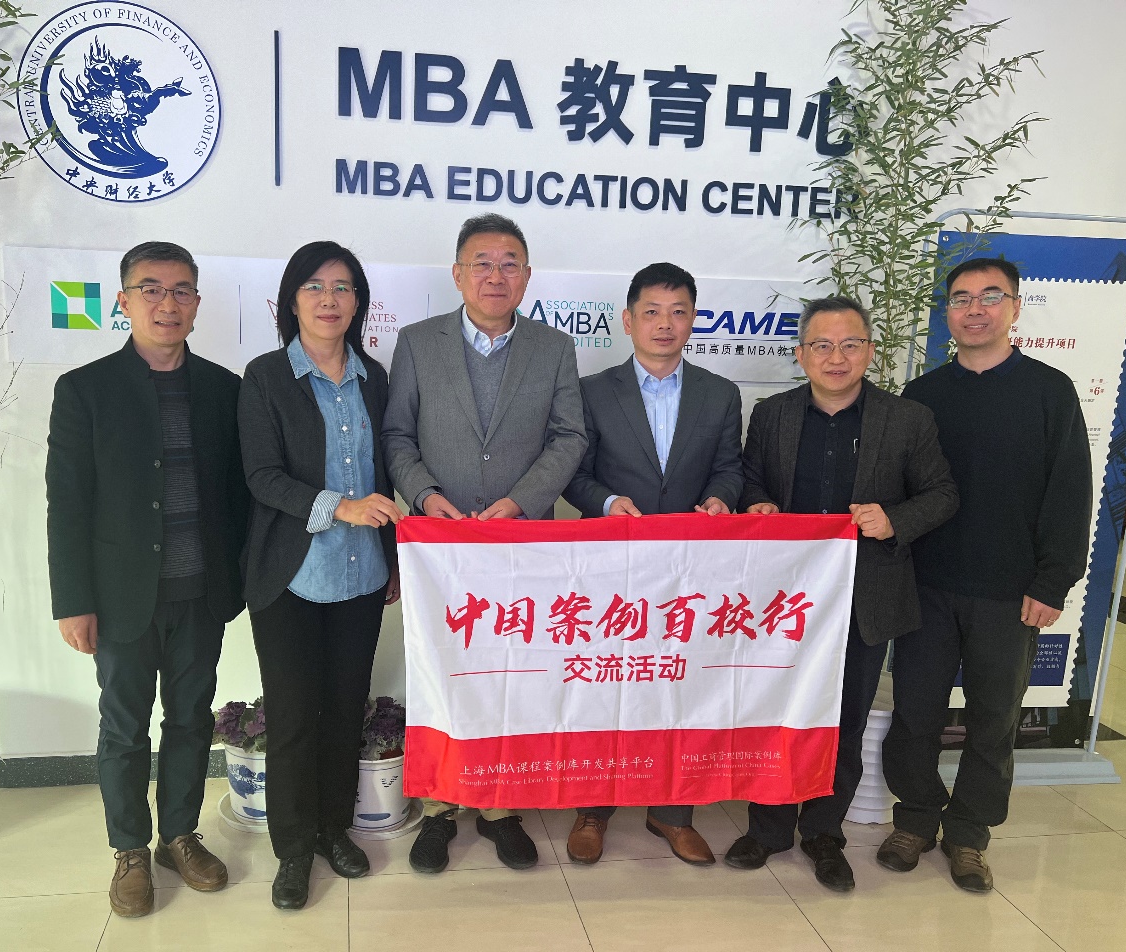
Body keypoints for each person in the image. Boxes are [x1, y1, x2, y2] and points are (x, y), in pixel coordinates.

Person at [723, 296, 957, 891]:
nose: (836, 357)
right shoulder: (772, 414)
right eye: (822, 345)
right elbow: (750, 478)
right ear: (801, 354)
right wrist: (758, 503)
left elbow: (941, 494)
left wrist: (894, 519)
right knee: (775, 712)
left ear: (870, 352)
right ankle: (769, 829)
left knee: (844, 718)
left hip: (863, 597)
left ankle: (824, 833)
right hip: (784, 600)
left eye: (850, 344)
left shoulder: (907, 419)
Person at [46, 241, 248, 918]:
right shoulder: (85, 389)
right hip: (119, 597)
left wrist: (239, 583)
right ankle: (130, 849)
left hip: (202, 593)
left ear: (197, 302)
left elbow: (237, 495)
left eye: (181, 290)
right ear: (124, 301)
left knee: (190, 719)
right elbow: (67, 503)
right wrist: (73, 601)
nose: (167, 303)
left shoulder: (223, 388)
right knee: (125, 727)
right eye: (151, 289)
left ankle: (179, 837)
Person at [382, 213, 587, 874]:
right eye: (482, 262)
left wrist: (521, 500)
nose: (495, 276)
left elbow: (569, 437)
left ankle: (501, 806)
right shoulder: (418, 343)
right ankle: (438, 808)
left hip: (522, 544)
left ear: (526, 276)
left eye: (508, 264)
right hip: (440, 547)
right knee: (440, 673)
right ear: (457, 273)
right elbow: (397, 436)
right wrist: (423, 496)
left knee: (513, 675)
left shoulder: (554, 347)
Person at [878, 258, 1092, 892]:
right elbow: (899, 491)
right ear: (947, 312)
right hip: (926, 587)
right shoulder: (922, 395)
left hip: (1010, 592)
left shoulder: (1050, 392)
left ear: (1015, 308)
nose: (975, 309)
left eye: (990, 297)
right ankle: (915, 819)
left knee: (994, 719)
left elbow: (1069, 493)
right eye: (962, 298)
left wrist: (1052, 582)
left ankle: (970, 834)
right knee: (915, 713)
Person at [561, 261, 743, 866]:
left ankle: (672, 813)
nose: (665, 324)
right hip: (612, 566)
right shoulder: (591, 391)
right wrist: (607, 502)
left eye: (678, 312)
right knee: (604, 684)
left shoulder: (720, 394)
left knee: (681, 687)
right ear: (627, 319)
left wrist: (721, 498)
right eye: (651, 312)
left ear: (693, 319)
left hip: (690, 571)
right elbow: (574, 475)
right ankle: (593, 809)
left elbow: (729, 467)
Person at [238, 241, 402, 911]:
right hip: (292, 576)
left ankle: (334, 829)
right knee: (294, 717)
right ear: (291, 301)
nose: (329, 299)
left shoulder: (375, 378)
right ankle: (292, 849)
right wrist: (340, 506)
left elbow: (387, 471)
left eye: (342, 287)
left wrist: (393, 556)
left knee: (343, 711)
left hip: (362, 574)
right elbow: (261, 476)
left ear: (358, 301)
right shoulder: (266, 376)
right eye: (314, 286)